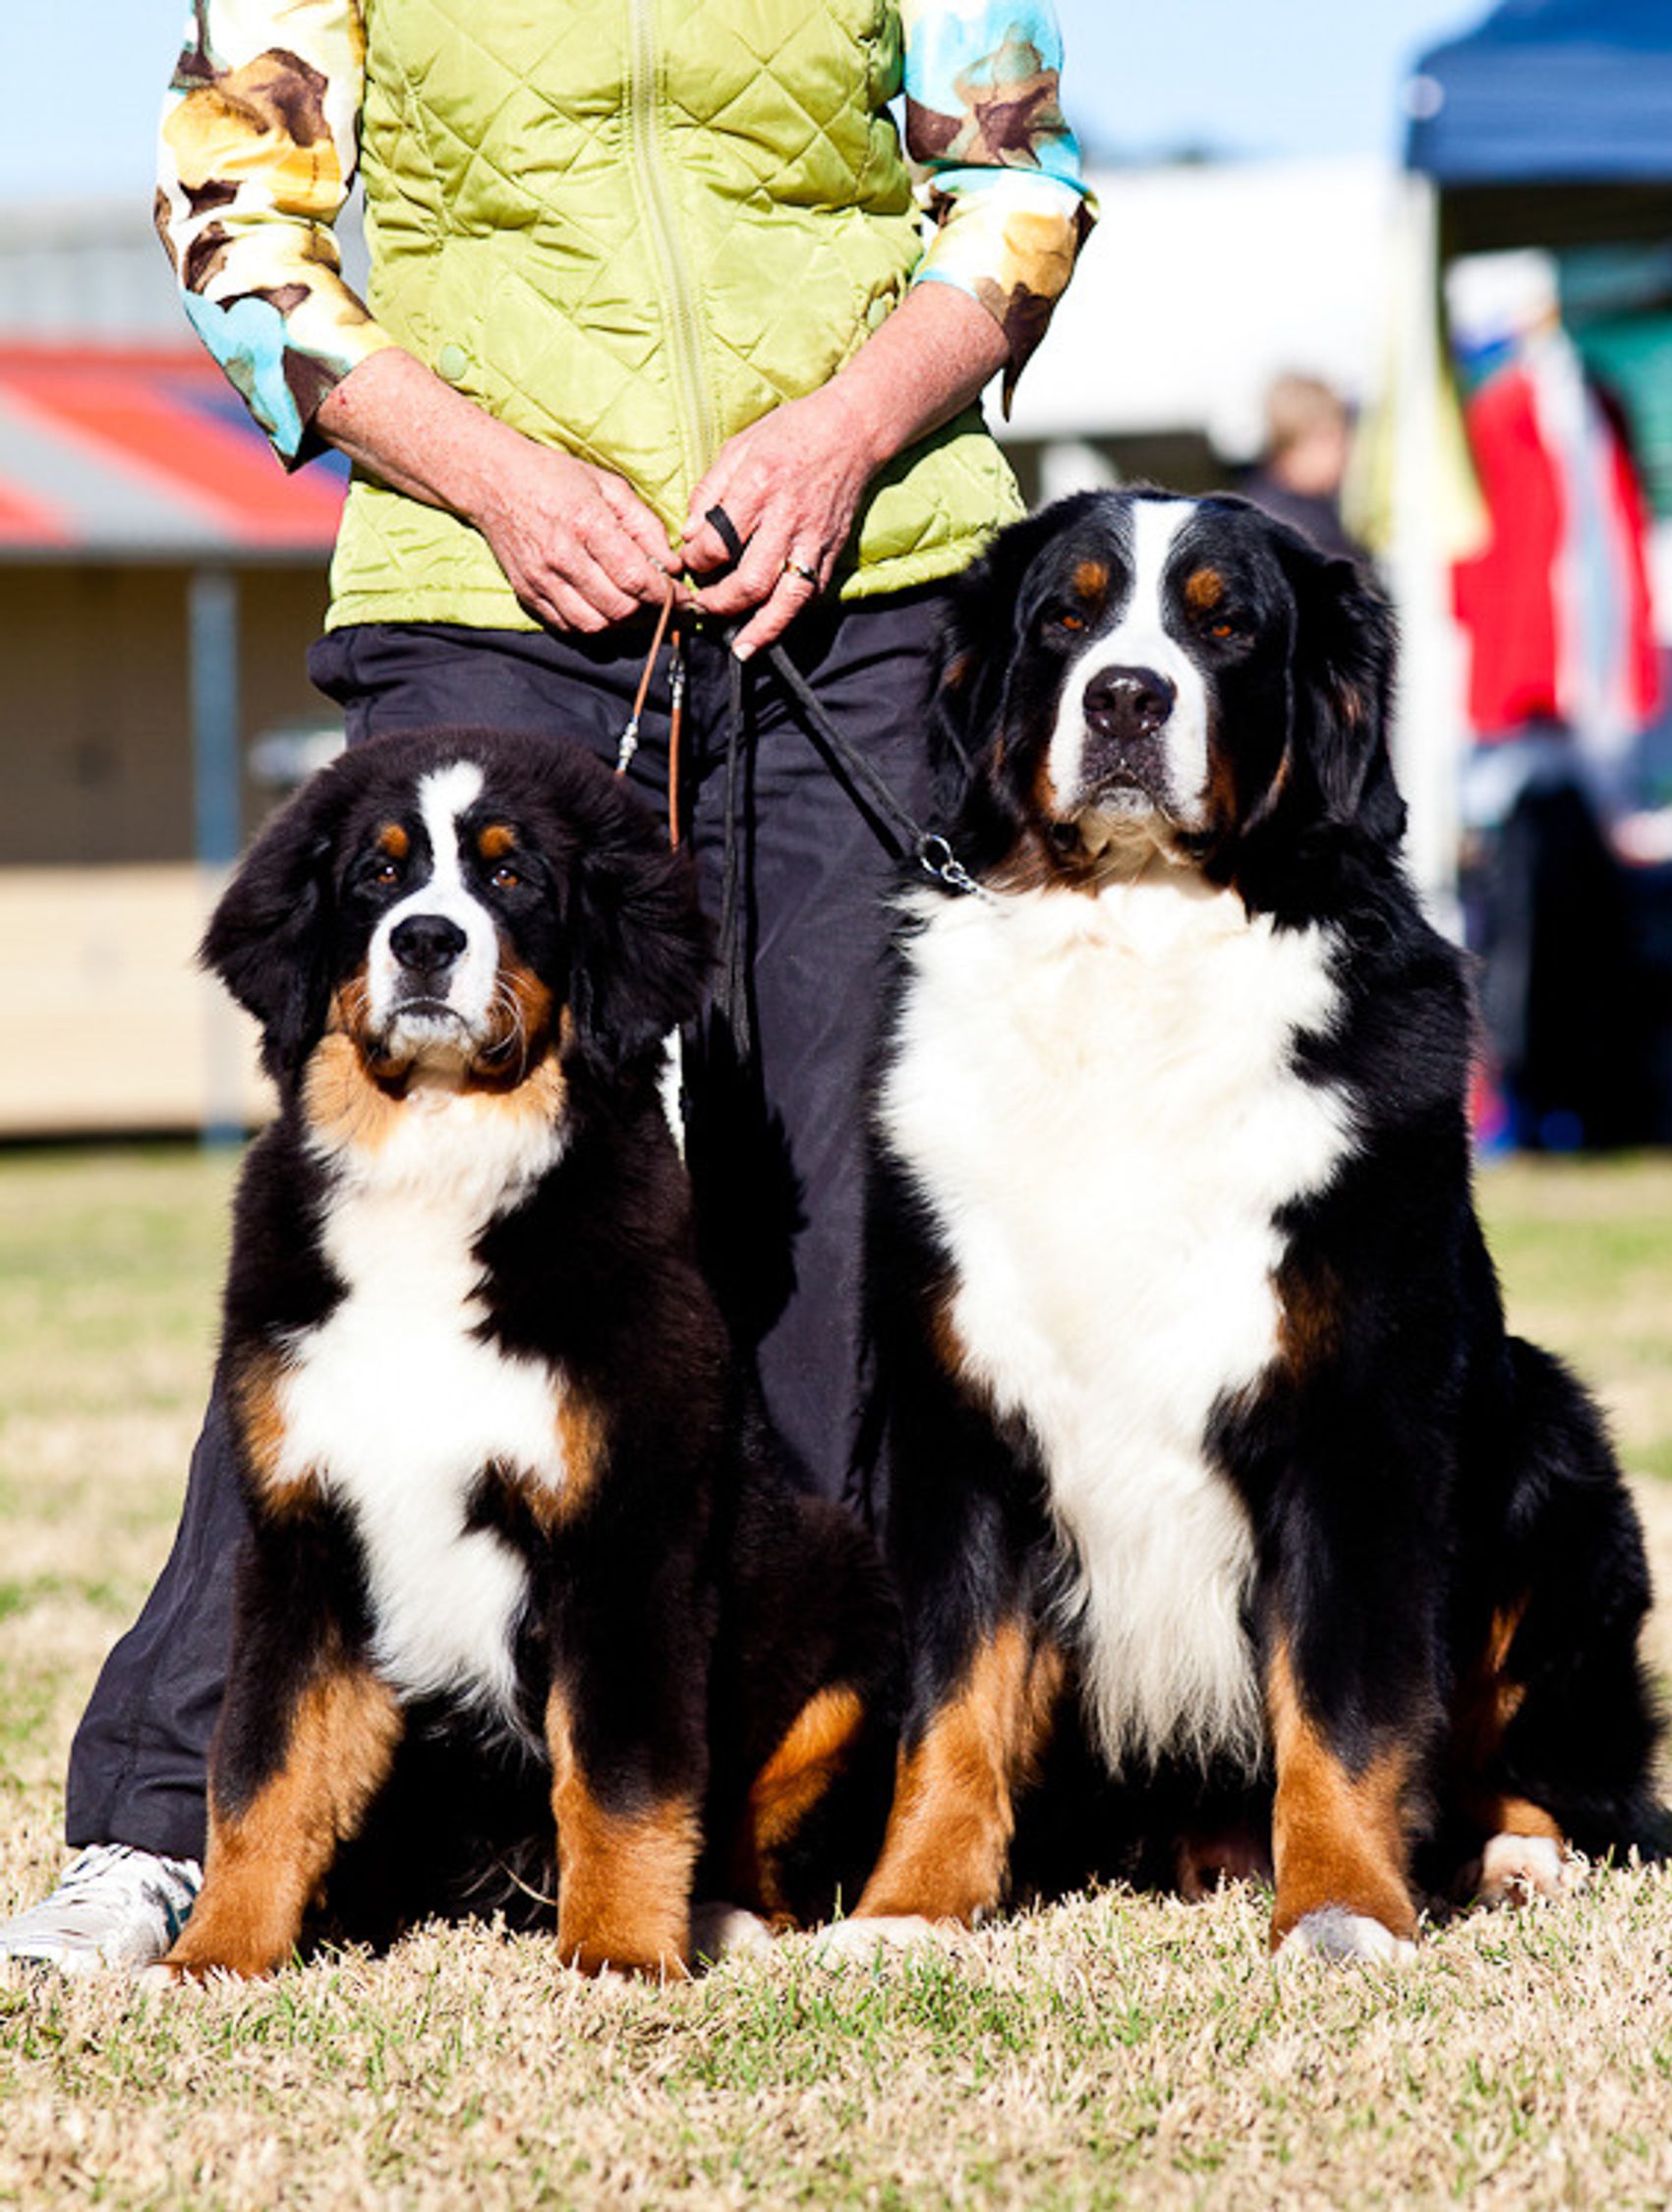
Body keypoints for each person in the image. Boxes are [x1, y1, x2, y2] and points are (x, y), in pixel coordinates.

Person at [0, 0, 1093, 1972]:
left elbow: (1012, 187)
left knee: (843, 1209)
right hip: (482, 569)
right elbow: (241, 219)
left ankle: (768, 1805)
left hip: (863, 578)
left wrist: (844, 434)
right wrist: (499, 476)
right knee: (370, 1225)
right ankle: (171, 1817)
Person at [1240, 373, 1365, 563]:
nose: (1343, 450)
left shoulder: (1313, 498)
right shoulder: (1289, 526)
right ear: (1292, 449)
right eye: (1329, 438)